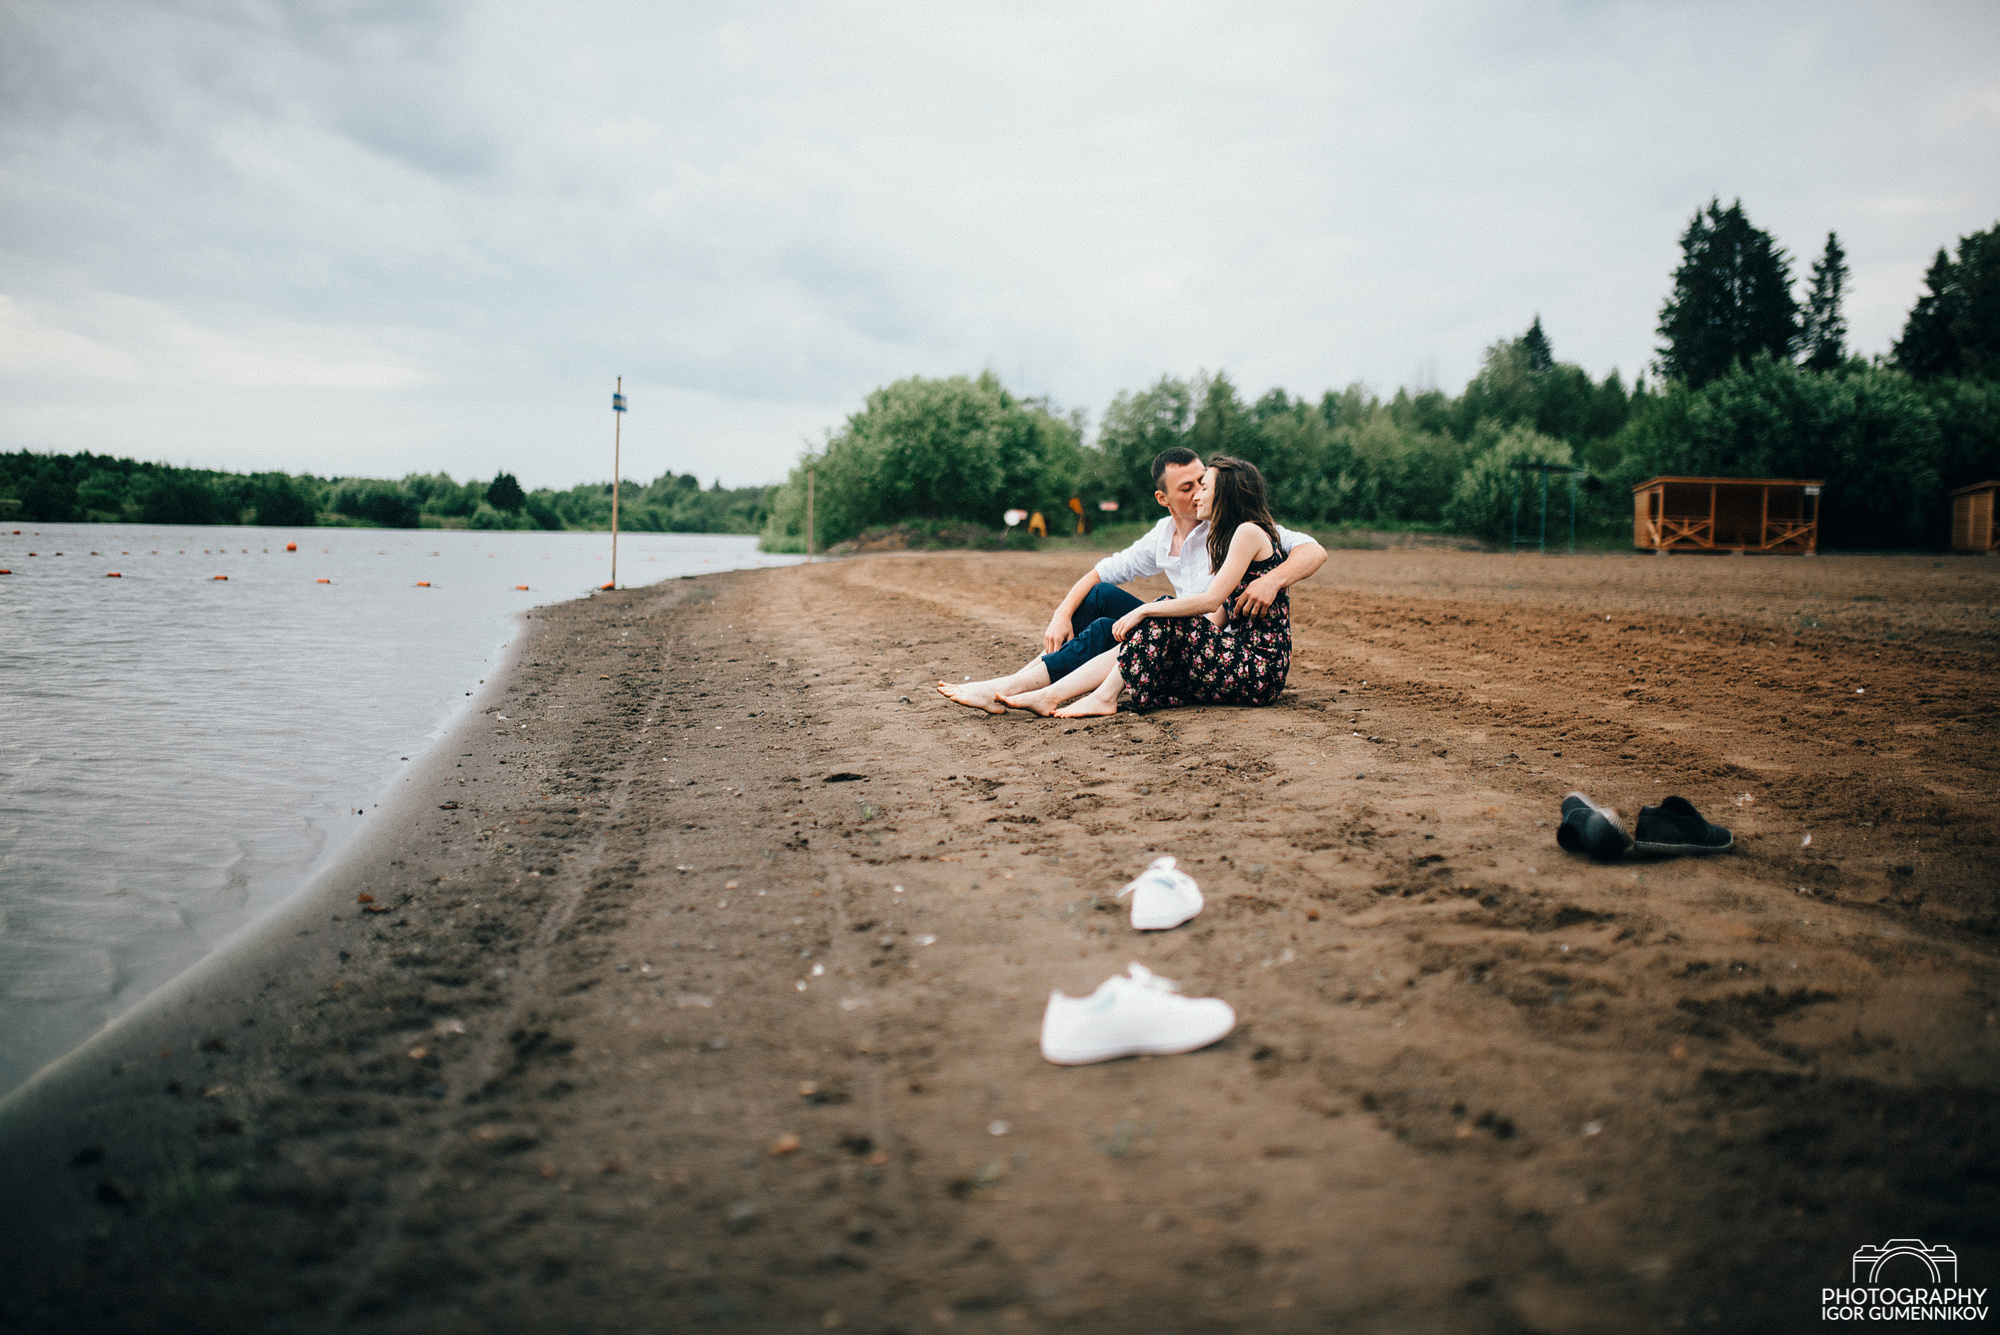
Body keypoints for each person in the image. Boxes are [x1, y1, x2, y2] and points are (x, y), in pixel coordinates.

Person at [937, 447, 1324, 713]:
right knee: (1099, 598)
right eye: (1187, 488)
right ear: (1163, 498)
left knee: (1133, 621)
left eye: (1201, 484)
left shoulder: (1239, 529)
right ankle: (1020, 684)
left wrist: (1273, 579)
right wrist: (1061, 612)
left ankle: (1029, 691)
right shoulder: (1168, 534)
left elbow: (1312, 551)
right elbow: (1103, 571)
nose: (1195, 494)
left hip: (1203, 634)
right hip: (1192, 628)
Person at [1011, 455, 1292, 717]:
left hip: (1259, 672)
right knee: (1162, 612)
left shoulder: (1248, 532)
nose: (1198, 495)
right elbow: (1217, 614)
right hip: (1240, 663)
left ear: (1226, 494)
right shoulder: (1227, 538)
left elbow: (1210, 600)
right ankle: (1051, 692)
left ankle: (1099, 697)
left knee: (1162, 609)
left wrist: (1147, 611)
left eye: (1205, 487)